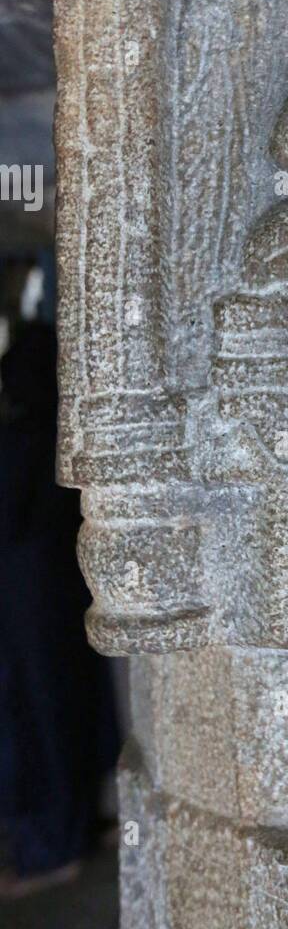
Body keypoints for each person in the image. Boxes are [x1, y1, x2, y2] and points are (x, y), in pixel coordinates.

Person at [0, 321, 120, 898]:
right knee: (71, 708)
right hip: (67, 596)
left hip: (25, 613)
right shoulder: (64, 430)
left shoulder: (21, 437)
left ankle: (51, 847)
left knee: (35, 720)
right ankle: (79, 826)